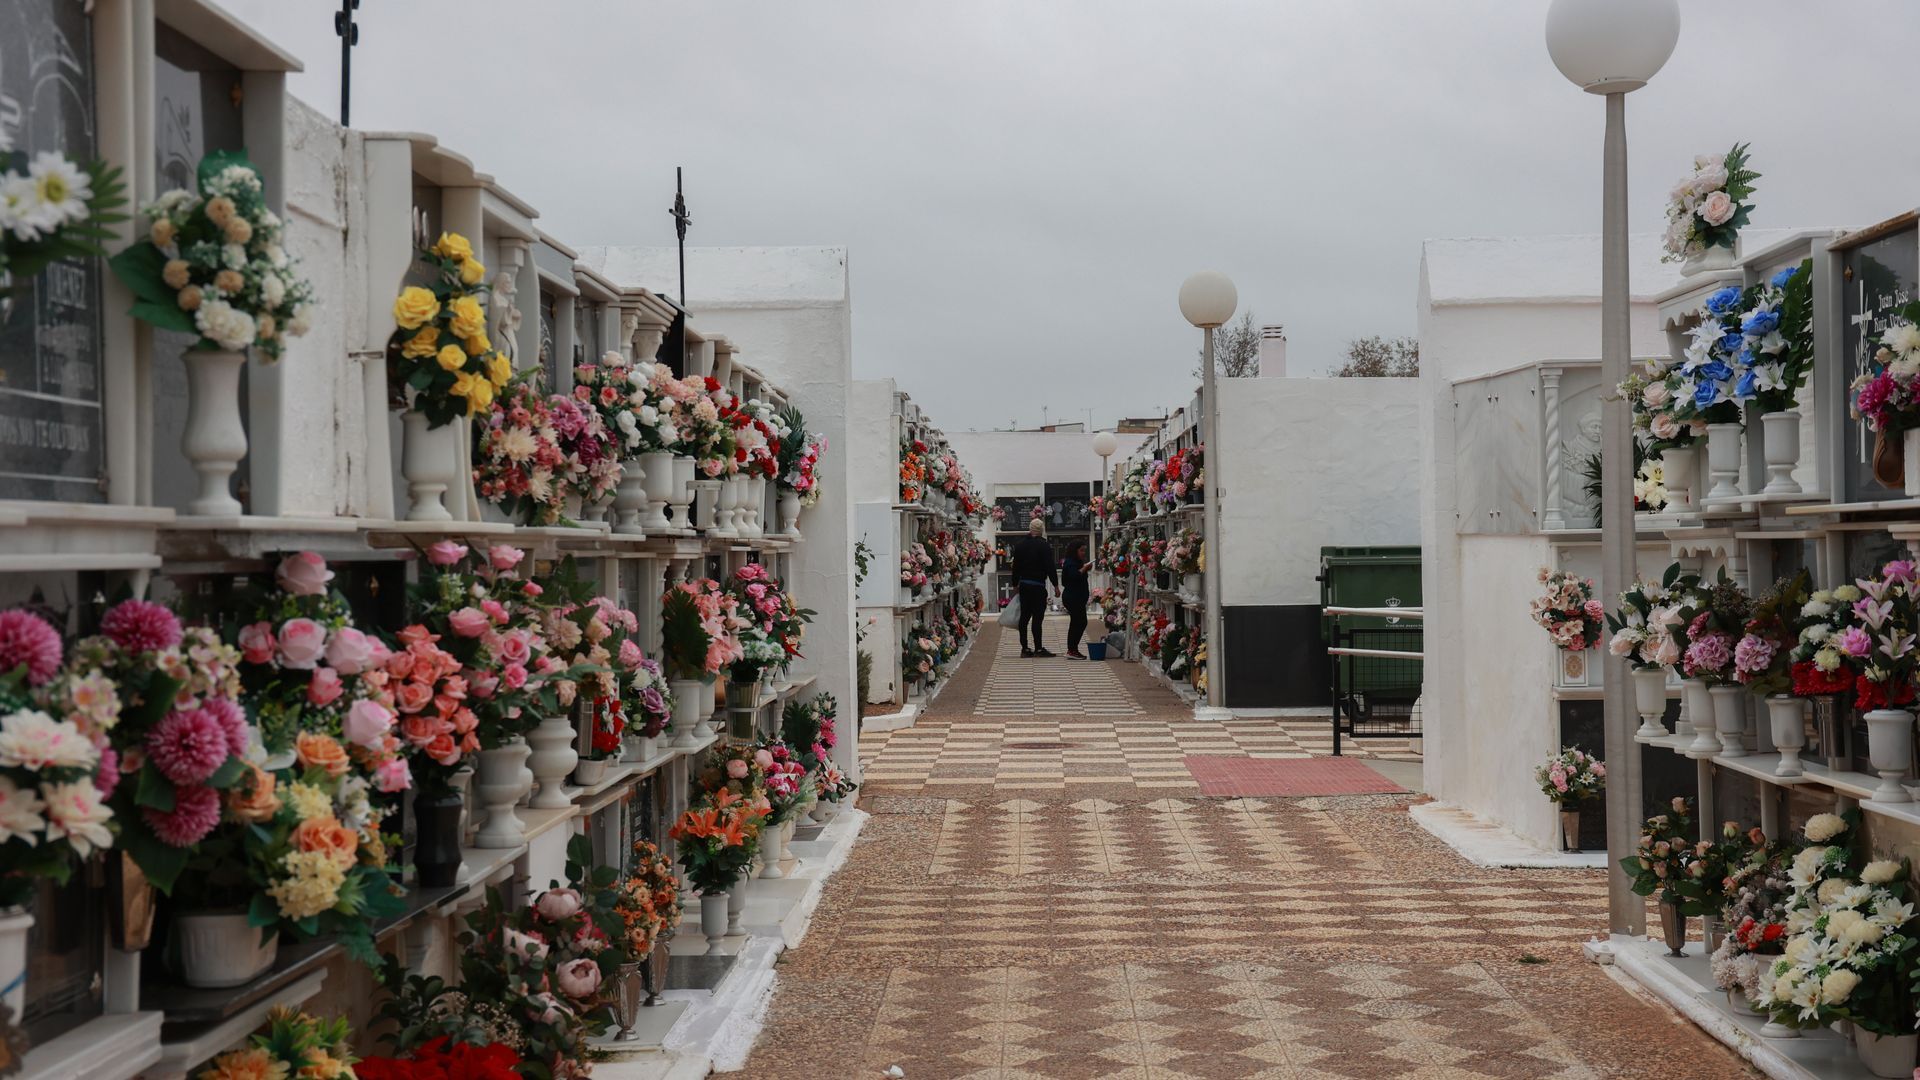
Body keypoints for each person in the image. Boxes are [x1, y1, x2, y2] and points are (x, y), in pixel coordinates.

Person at [1008, 518, 1059, 658]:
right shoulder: (1044, 546)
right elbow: (1050, 567)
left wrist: (1015, 584)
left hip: (1024, 585)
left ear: (1030, 529)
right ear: (1041, 530)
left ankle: (1024, 648)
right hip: (1038, 586)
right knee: (1037, 618)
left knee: (1024, 618)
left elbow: (1015, 567)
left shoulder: (1020, 545)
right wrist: (1055, 585)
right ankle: (1038, 648)